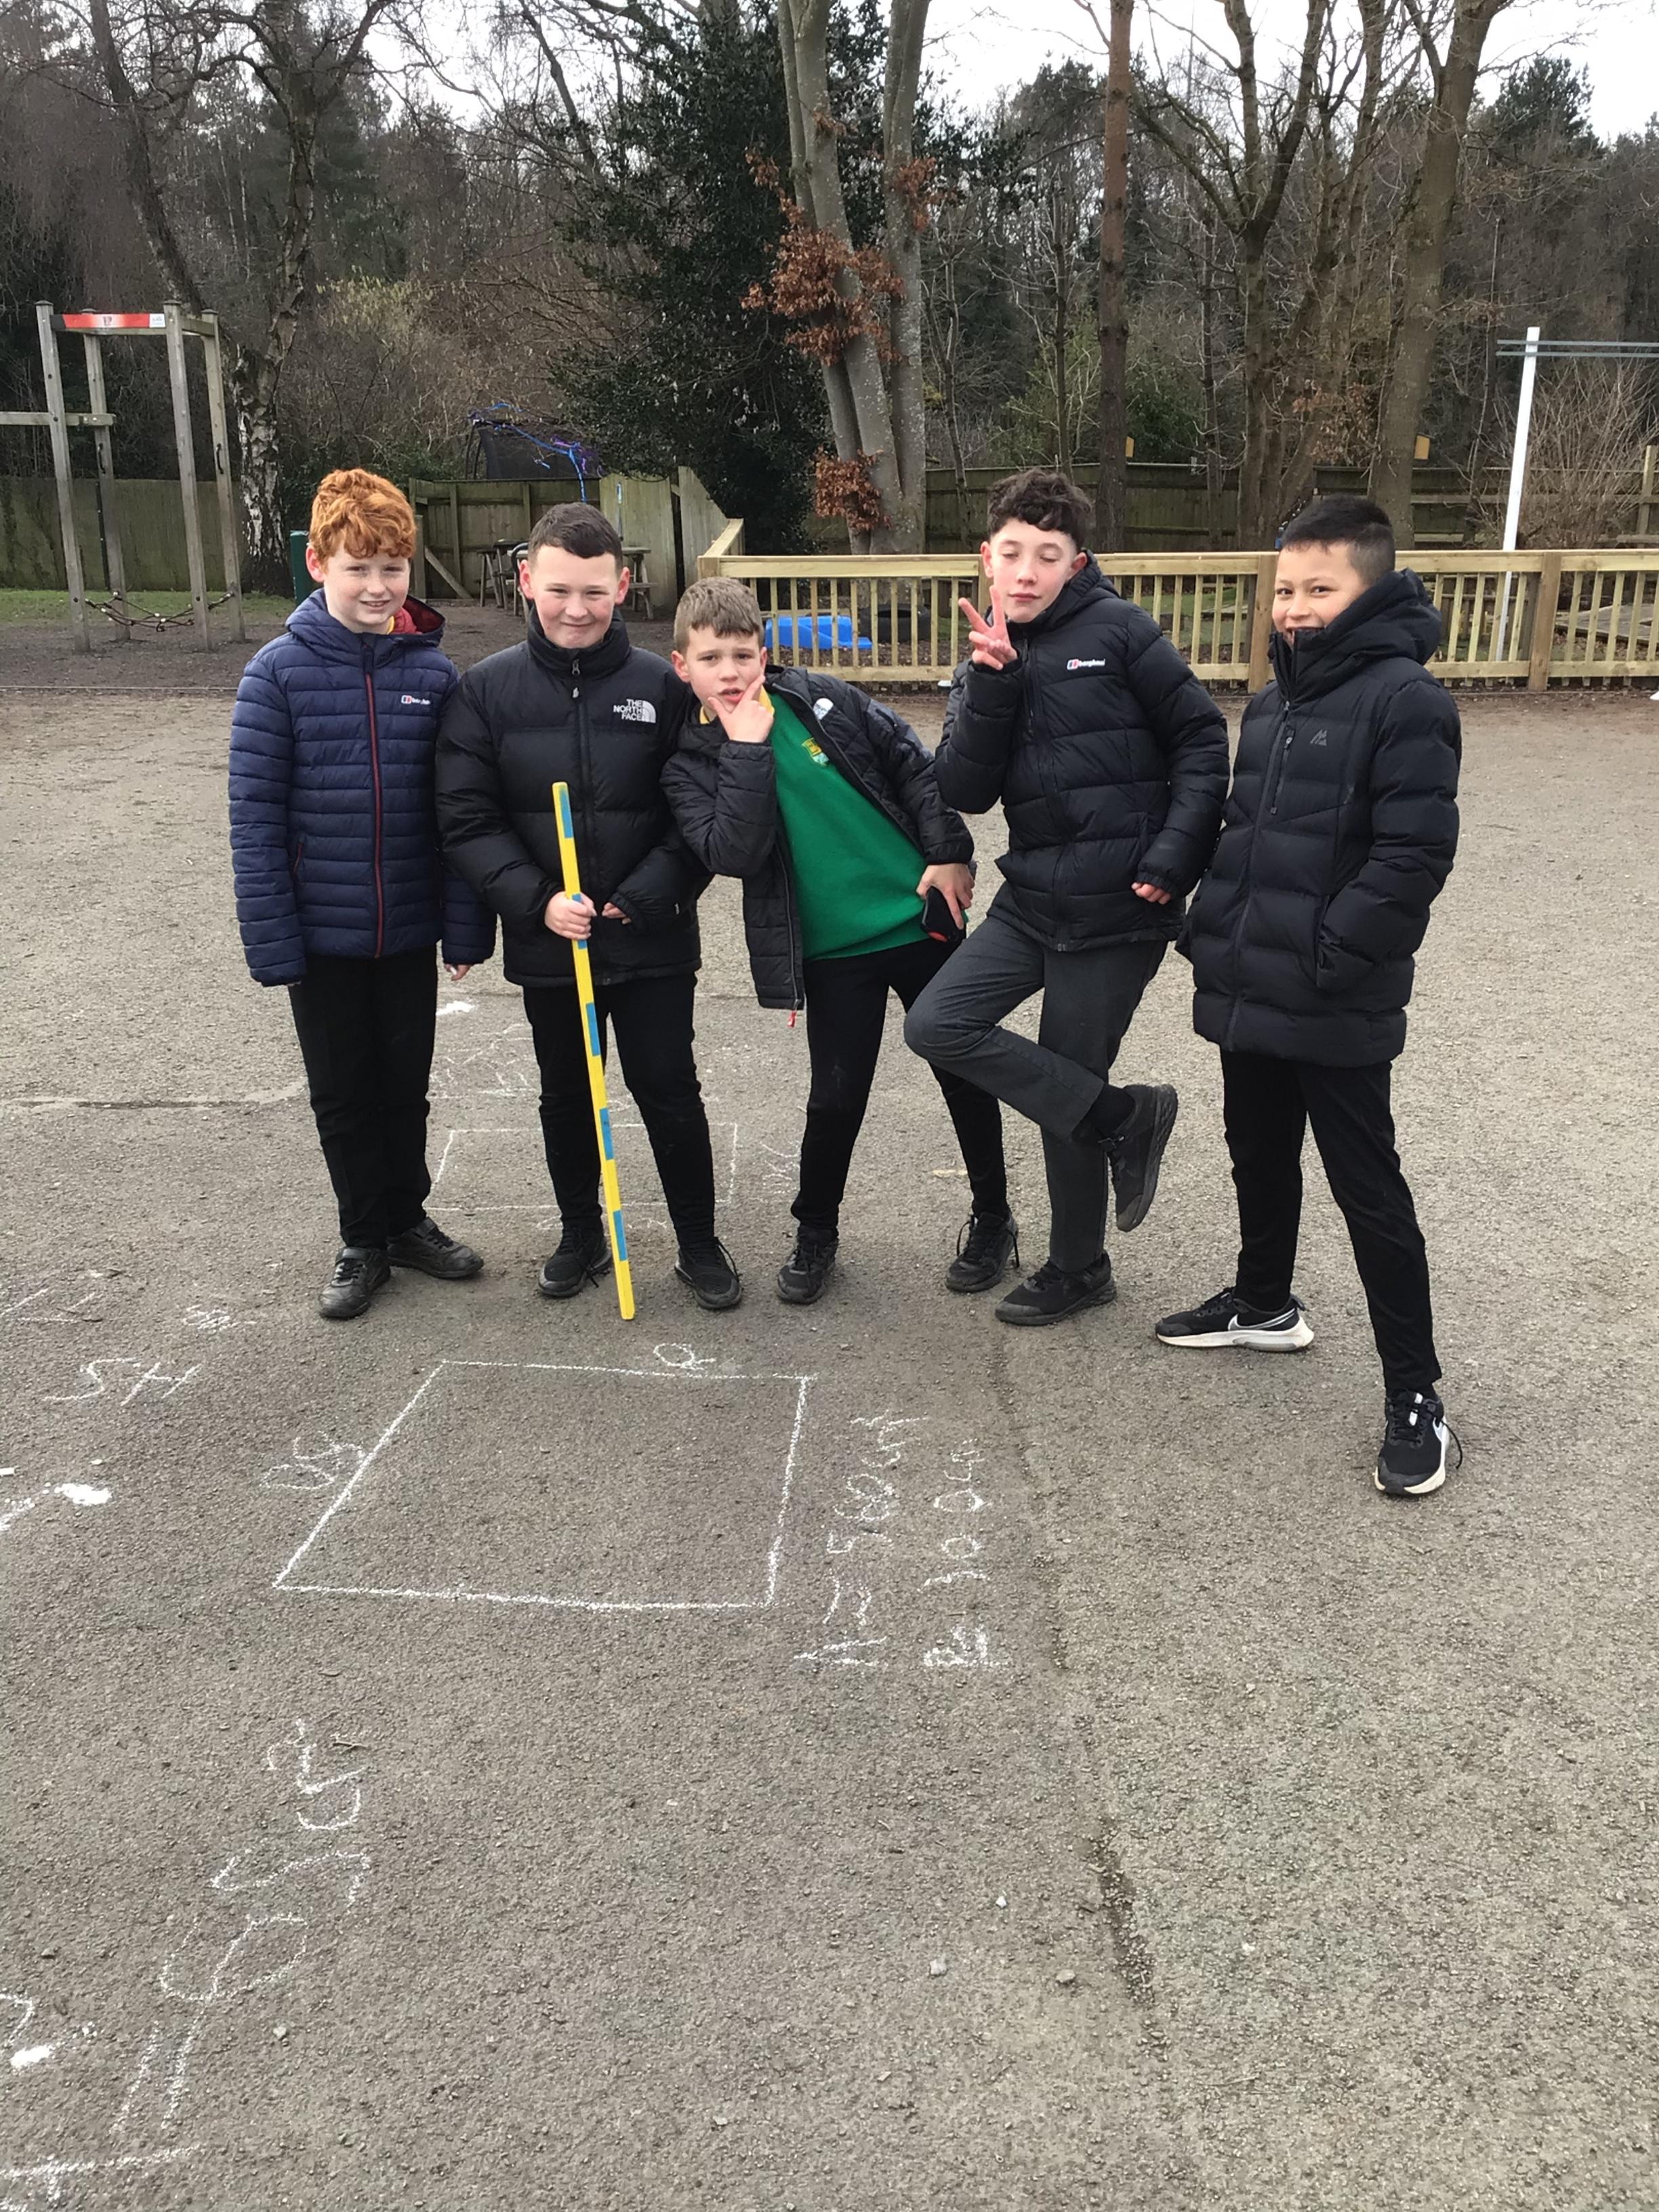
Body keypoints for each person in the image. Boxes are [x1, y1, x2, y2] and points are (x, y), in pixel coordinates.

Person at [1157, 494, 1462, 1499]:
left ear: (1369, 591)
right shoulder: (1273, 702)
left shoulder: (1408, 701)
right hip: (1250, 980)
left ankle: (1417, 1395)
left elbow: (1413, 857)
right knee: (1256, 1150)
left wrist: (1331, 955)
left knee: (1368, 1189)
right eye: (1284, 589)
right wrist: (1210, 927)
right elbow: (1247, 833)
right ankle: (1264, 1303)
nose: (1292, 607)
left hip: (1333, 994)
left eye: (1317, 589)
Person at [902, 468, 1229, 1326]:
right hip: (1034, 897)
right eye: (1012, 552)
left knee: (1065, 1082)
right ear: (986, 556)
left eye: (1048, 555)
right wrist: (994, 684)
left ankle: (1079, 1267)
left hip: (1120, 904)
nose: (1027, 571)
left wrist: (1177, 856)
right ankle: (1127, 1116)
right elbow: (964, 789)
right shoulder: (984, 653)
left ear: (1076, 563)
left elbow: (1201, 740)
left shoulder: (1120, 631)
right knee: (937, 1024)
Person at [661, 577, 1013, 1305]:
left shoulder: (821, 698)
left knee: (964, 1074)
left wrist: (950, 850)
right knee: (835, 1100)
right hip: (832, 951)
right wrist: (747, 749)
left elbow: (910, 764)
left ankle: (994, 1218)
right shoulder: (689, 762)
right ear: (681, 666)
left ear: (764, 656)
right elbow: (733, 852)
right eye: (711, 658)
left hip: (917, 917)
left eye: (743, 655)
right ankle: (816, 1232)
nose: (730, 672)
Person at [434, 504, 741, 1312]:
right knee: (568, 1091)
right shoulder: (485, 692)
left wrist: (643, 897)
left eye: (595, 592)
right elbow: (467, 820)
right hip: (552, 941)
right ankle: (581, 1233)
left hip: (652, 936)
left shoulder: (662, 687)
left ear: (623, 586)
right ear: (526, 580)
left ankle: (698, 1240)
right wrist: (537, 901)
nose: (577, 609)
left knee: (668, 1086)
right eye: (560, 590)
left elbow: (696, 816)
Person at [228, 468, 493, 1322]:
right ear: (318, 565)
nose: (378, 587)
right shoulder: (276, 676)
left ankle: (407, 1221)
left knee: (405, 1085)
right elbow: (255, 821)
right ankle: (362, 1238)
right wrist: (275, 941)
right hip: (322, 934)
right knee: (343, 1094)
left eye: (393, 568)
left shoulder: (434, 676)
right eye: (358, 569)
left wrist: (463, 927)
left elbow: (459, 815)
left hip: (409, 926)